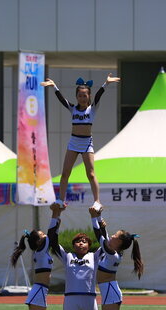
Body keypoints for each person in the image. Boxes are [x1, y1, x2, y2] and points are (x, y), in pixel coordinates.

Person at [41, 73, 121, 211]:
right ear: (76, 97)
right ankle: (61, 200)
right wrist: (54, 86)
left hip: (86, 143)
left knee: (91, 174)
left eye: (85, 95)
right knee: (65, 173)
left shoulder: (92, 109)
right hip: (73, 142)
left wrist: (106, 84)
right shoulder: (73, 109)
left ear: (89, 96)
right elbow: (62, 99)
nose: (82, 98)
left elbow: (98, 96)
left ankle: (97, 201)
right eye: (80, 96)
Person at [89, 206, 143, 310]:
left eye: (115, 236)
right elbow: (104, 235)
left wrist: (93, 218)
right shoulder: (113, 252)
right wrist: (99, 217)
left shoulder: (112, 253)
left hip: (110, 293)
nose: (112, 236)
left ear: (119, 243)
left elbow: (100, 237)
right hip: (111, 291)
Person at [49, 203, 100, 310]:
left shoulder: (94, 257)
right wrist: (56, 218)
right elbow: (53, 240)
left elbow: (105, 242)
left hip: (89, 298)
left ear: (89, 245)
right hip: (71, 299)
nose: (81, 243)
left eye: (84, 241)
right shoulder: (67, 256)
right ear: (73, 245)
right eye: (78, 241)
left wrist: (96, 219)